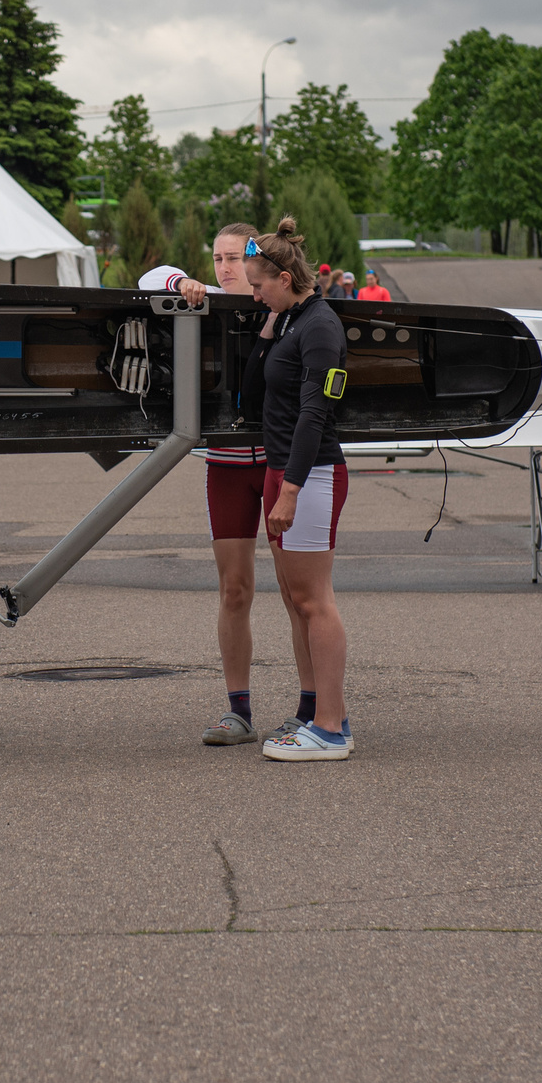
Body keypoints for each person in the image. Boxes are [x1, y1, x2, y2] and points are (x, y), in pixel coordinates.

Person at [143, 231, 300, 747]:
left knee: (297, 593)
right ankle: (239, 713)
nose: (227, 266)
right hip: (228, 464)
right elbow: (148, 280)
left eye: (235, 257)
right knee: (235, 590)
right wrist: (183, 281)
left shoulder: (279, 301)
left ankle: (310, 709)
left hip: (278, 460)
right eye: (218, 258)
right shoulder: (203, 294)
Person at [239, 218, 353, 760]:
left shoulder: (321, 326)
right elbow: (250, 392)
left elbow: (314, 415)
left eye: (259, 285)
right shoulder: (287, 319)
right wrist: (267, 327)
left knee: (315, 601)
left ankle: (331, 730)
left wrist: (290, 491)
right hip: (281, 469)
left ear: (285, 277)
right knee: (293, 599)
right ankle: (312, 709)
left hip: (309, 473)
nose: (254, 294)